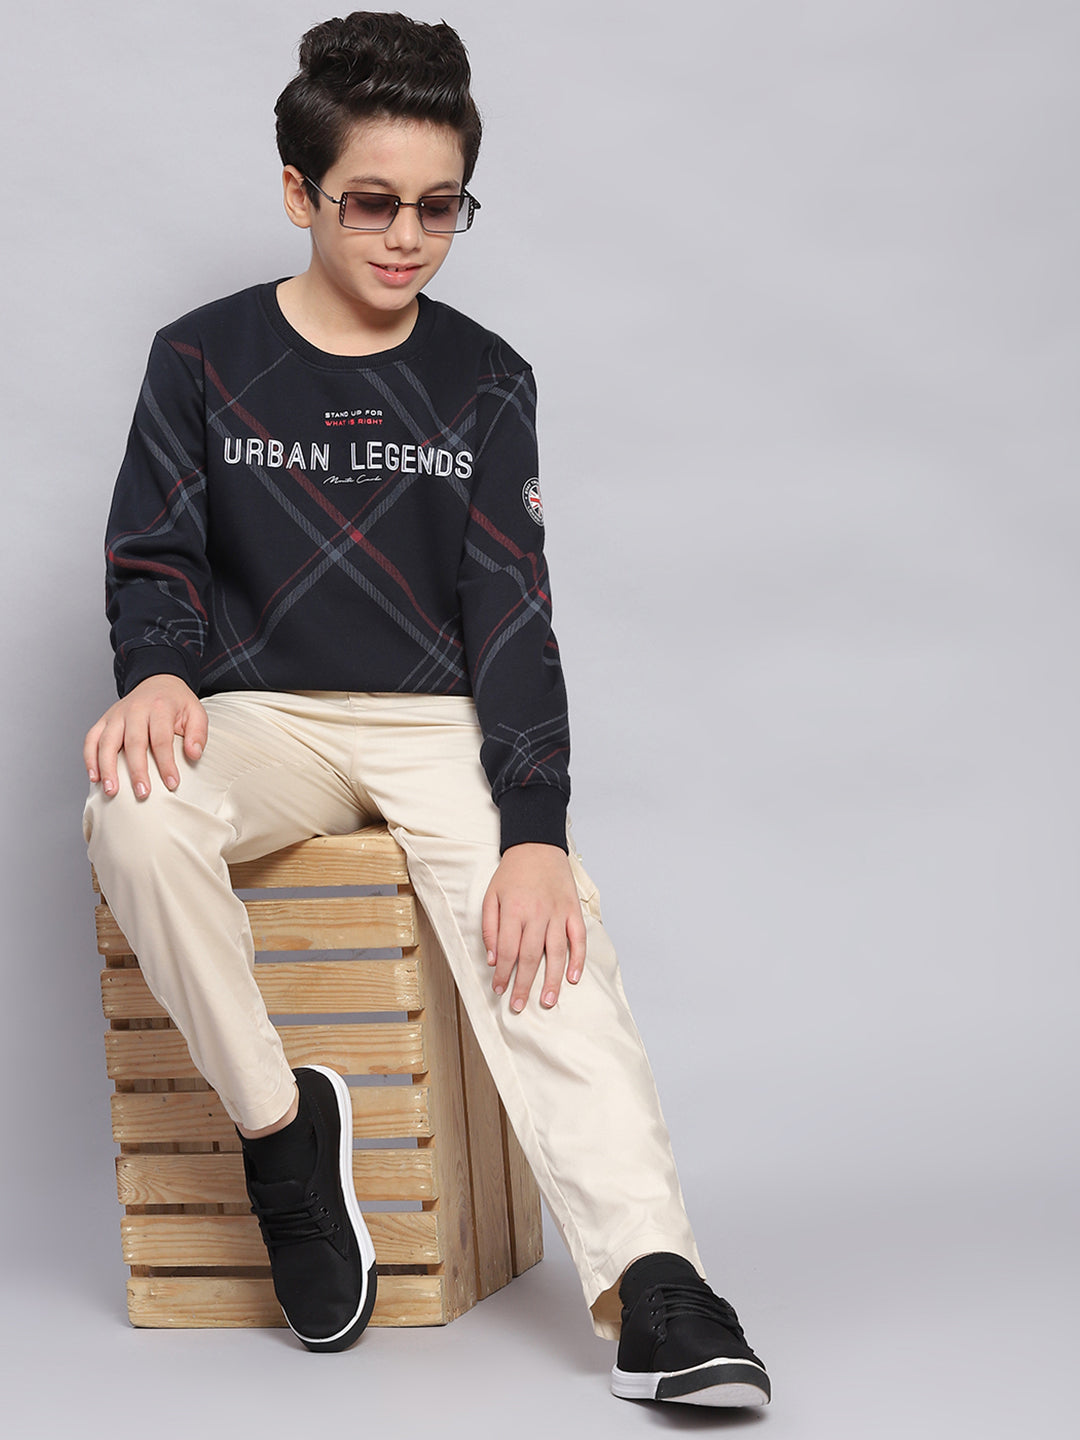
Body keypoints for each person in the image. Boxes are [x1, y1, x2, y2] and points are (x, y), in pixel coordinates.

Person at [82, 10, 770, 1407]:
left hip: (433, 720)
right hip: (261, 716)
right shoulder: (201, 358)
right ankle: (281, 1136)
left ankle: (655, 1282)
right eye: (372, 202)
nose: (407, 237)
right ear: (301, 194)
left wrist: (536, 825)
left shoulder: (485, 377)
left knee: (548, 929)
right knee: (131, 815)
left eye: (440, 206)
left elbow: (511, 611)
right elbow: (155, 554)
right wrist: (155, 670)